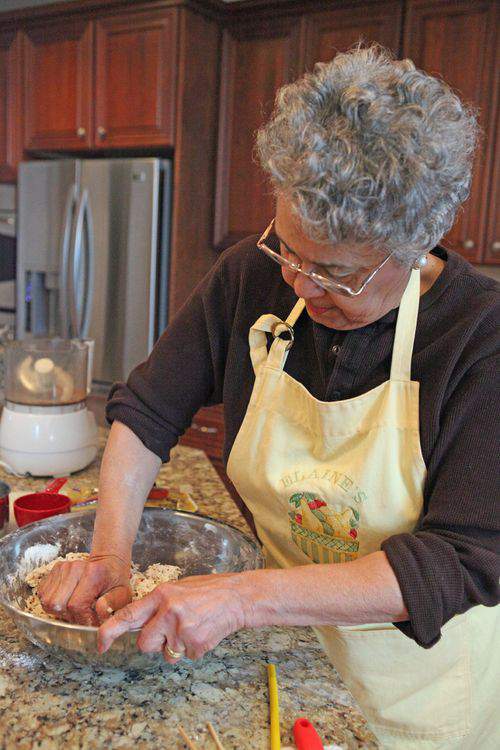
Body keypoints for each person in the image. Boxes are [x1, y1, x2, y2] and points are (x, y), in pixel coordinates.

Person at [38, 44, 499, 748]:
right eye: (289, 249)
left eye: (335, 274)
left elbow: (458, 559)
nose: (300, 286)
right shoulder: (250, 278)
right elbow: (148, 410)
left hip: (420, 693)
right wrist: (110, 553)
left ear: (413, 247)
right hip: (281, 648)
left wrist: (242, 596)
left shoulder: (480, 338)